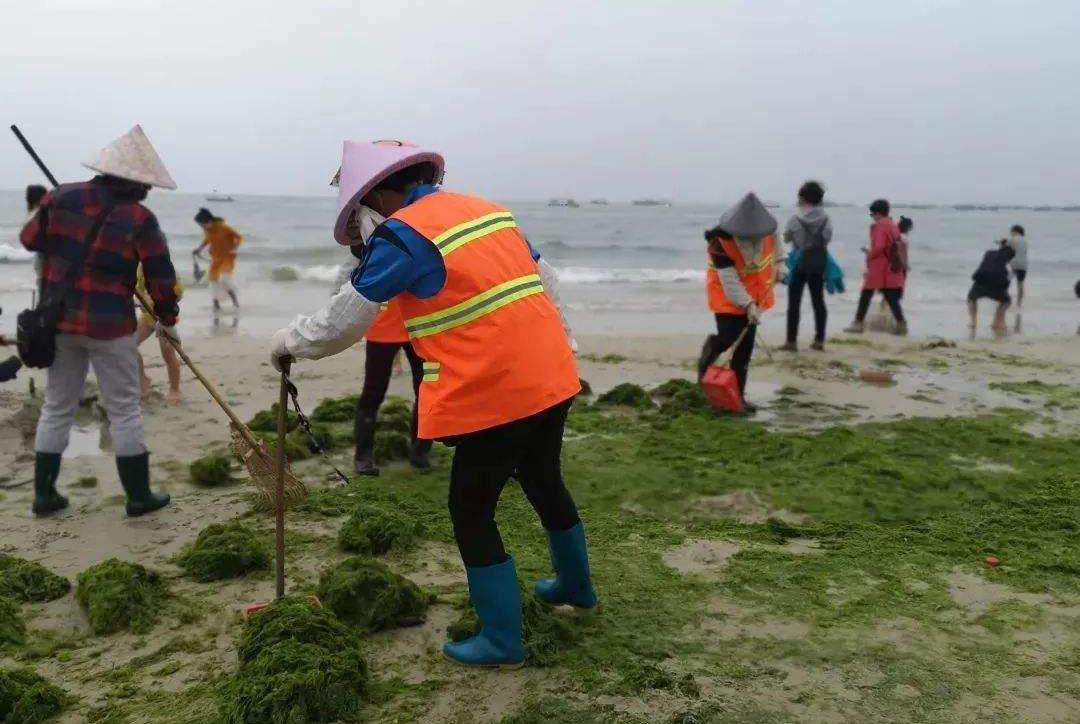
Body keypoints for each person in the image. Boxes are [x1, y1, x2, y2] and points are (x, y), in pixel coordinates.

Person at [270, 140, 593, 668]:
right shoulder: (488, 211)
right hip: (551, 377)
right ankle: (576, 588)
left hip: (497, 391)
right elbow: (546, 276)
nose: (365, 221)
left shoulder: (405, 232)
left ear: (378, 193)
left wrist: (289, 342)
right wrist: (567, 339)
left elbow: (348, 317)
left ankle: (501, 640)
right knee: (543, 480)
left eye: (363, 210)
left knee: (470, 510)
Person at [19, 124, 179, 517]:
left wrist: (61, 224)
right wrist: (166, 313)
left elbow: (28, 239)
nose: (148, 191)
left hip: (61, 323)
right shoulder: (140, 218)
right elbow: (160, 275)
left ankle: (44, 497)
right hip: (111, 328)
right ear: (136, 181)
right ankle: (138, 498)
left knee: (57, 406)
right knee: (124, 408)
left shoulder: (62, 196)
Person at [700, 192, 778, 414]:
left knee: (744, 351)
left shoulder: (768, 231)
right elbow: (729, 280)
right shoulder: (719, 243)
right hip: (727, 299)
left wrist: (782, 266)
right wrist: (748, 305)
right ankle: (708, 379)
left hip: (756, 297)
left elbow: (777, 251)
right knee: (727, 343)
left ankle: (738, 398)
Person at [781, 180, 832, 351]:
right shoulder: (826, 219)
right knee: (818, 301)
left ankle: (791, 341)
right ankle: (819, 340)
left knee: (794, 302)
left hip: (798, 262)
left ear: (802, 198)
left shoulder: (795, 219)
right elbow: (826, 239)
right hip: (818, 261)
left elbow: (786, 239)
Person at [844, 199, 907, 335]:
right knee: (890, 297)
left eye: (872, 214)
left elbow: (879, 246)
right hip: (891, 267)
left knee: (866, 294)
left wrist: (869, 255)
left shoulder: (880, 226)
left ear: (877, 213)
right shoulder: (893, 225)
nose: (872, 217)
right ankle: (901, 325)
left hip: (880, 266)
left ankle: (858, 323)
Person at [135, 264, 184, 403]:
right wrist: (142, 299)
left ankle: (175, 389)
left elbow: (179, 292)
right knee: (128, 345)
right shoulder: (138, 267)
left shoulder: (164, 265)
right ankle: (143, 379)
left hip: (165, 318)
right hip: (147, 318)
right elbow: (137, 290)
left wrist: (158, 299)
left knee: (168, 355)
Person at [193, 208, 242, 311]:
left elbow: (238, 237)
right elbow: (207, 239)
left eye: (202, 224)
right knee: (213, 281)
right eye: (200, 225)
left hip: (228, 258)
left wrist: (235, 248)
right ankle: (216, 306)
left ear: (209, 221)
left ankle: (236, 303)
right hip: (216, 258)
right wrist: (199, 249)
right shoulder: (207, 230)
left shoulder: (224, 227)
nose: (201, 227)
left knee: (225, 279)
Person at [968, 240, 1015, 337]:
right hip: (996, 285)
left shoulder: (988, 253)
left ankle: (973, 322)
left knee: (971, 298)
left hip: (980, 281)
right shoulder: (1009, 264)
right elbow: (1007, 282)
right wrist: (1003, 292)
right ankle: (997, 320)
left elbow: (984, 266)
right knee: (1007, 301)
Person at [1007, 224, 1028, 310]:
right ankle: (1019, 304)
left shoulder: (1012, 239)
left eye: (1011, 231)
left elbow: (1007, 249)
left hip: (1014, 263)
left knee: (1006, 281)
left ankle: (1004, 300)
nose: (1010, 233)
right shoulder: (1025, 241)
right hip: (1024, 264)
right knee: (1020, 284)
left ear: (1015, 231)